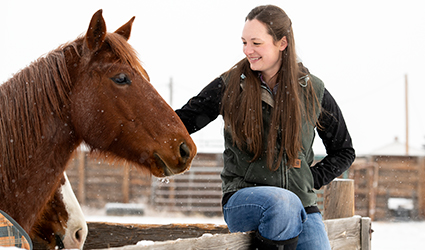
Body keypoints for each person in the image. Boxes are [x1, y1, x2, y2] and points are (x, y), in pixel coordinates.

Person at [175, 5, 355, 250]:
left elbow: (344, 150)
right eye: (244, 42)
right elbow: (180, 122)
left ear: (282, 43)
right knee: (282, 203)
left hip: (301, 201)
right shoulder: (229, 85)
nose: (247, 50)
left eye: (256, 43)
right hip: (244, 198)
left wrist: (309, 179)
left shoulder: (312, 90)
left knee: (292, 207)